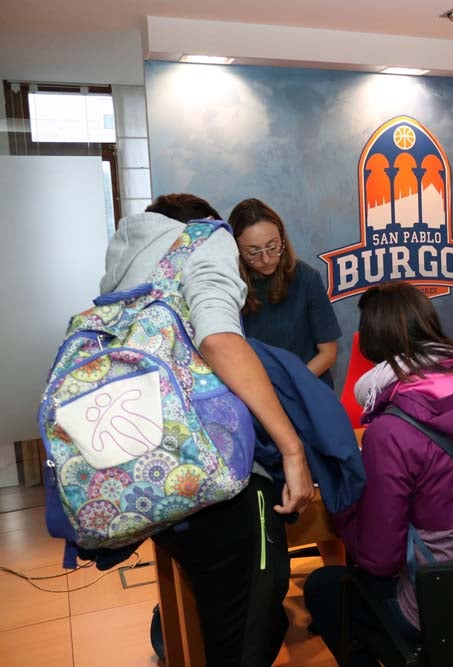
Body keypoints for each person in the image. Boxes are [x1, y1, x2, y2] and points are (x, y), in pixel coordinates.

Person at [101, 193, 315, 667]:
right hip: (217, 471)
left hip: (155, 475)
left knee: (221, 610)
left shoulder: (127, 263)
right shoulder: (204, 239)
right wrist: (292, 450)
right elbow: (219, 339)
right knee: (250, 618)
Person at [303, 282, 453, 665]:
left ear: (371, 345)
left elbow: (380, 559)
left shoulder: (389, 431)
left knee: (324, 587)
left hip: (439, 610)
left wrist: (343, 510)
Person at [229, 198, 342, 390]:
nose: (265, 259)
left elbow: (328, 352)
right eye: (253, 252)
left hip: (307, 385)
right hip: (257, 391)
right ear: (237, 250)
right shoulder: (230, 286)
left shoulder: (306, 278)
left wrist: (292, 384)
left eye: (272, 247)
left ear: (282, 238)